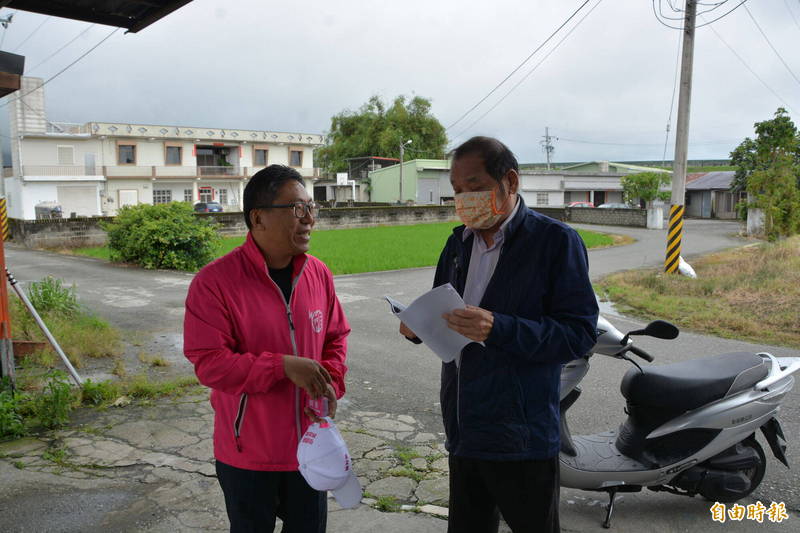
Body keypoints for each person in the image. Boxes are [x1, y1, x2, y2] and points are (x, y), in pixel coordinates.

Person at [400, 136, 598, 533]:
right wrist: (416, 326)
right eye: (457, 190)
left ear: (510, 181)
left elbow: (578, 334)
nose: (464, 198)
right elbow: (442, 307)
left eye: (474, 186)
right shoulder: (458, 243)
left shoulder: (556, 243)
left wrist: (499, 327)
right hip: (464, 426)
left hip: (521, 436)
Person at [184, 164, 350, 533]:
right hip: (247, 455)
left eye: (311, 208)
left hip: (310, 445)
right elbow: (210, 364)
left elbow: (335, 337)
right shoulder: (214, 283)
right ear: (257, 217)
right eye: (296, 209)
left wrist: (330, 380)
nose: (308, 219)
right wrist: (282, 367)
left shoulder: (318, 273)